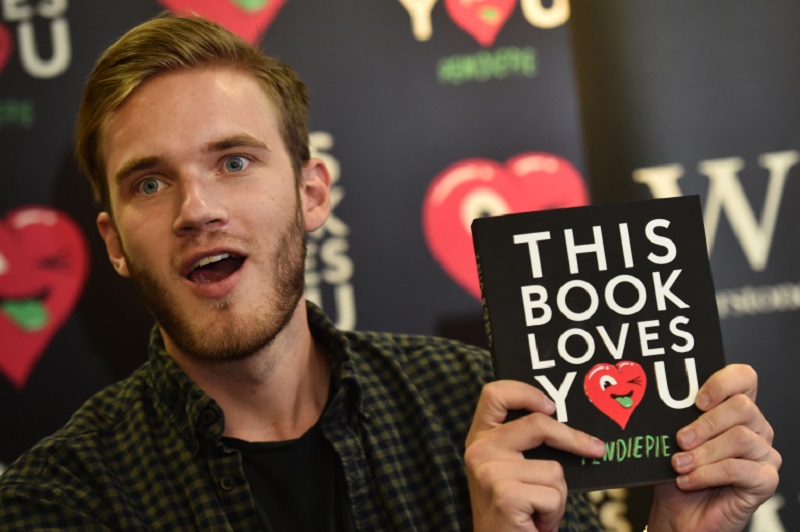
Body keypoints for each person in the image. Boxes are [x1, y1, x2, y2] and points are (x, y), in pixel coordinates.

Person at [0, 12, 780, 531]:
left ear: (311, 193)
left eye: (233, 161)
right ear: (113, 242)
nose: (196, 208)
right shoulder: (59, 501)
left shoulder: (481, 411)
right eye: (149, 182)